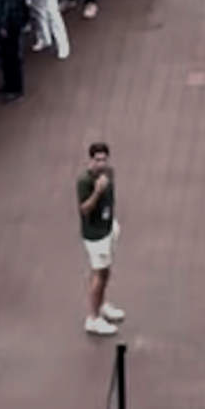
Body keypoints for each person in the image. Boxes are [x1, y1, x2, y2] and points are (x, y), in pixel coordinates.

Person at [77, 141, 124, 339]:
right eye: (97, 160)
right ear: (91, 160)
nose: (101, 164)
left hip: (107, 228)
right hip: (95, 235)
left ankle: (102, 305)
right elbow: (84, 209)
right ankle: (93, 318)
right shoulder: (85, 182)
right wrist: (97, 191)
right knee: (98, 274)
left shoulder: (109, 173)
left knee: (105, 272)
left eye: (104, 159)